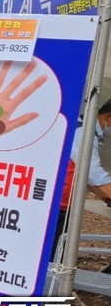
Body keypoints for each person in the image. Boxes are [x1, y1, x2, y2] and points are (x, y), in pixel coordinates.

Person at [53, 99, 111, 263]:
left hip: (63, 200)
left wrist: (105, 197)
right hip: (57, 203)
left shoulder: (84, 125)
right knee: (54, 250)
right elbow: (96, 176)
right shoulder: (84, 132)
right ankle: (51, 284)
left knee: (59, 247)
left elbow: (88, 176)